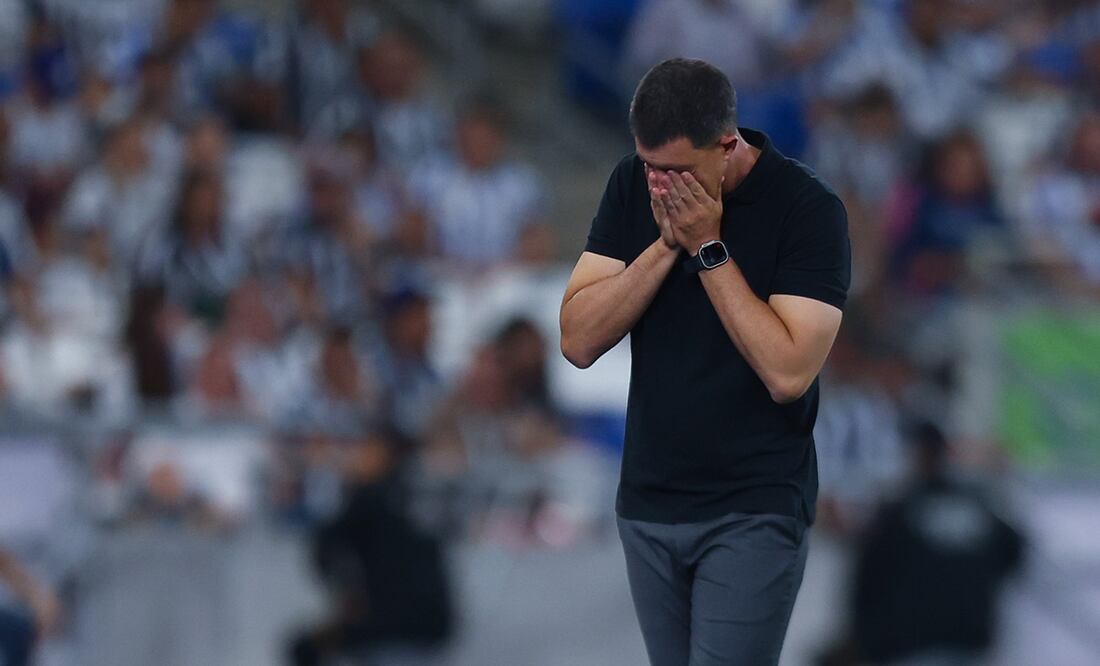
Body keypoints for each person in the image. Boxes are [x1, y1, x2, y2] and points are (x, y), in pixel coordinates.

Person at [559, 58, 850, 664]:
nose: (661, 186)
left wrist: (709, 250)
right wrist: (667, 245)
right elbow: (578, 340)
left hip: (752, 503)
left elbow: (788, 373)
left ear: (727, 145)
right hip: (648, 498)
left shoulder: (807, 209)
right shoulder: (631, 184)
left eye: (677, 171)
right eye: (650, 167)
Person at [847, 422, 1025, 665]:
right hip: (970, 642)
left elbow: (867, 579)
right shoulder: (979, 505)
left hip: (909, 645)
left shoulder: (899, 510)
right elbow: (1015, 554)